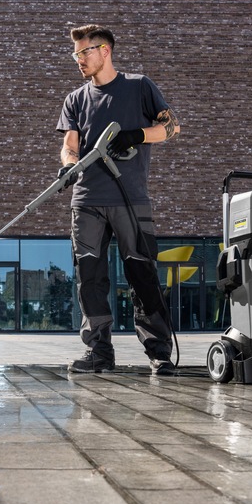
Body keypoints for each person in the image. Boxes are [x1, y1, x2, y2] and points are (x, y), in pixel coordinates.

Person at [56, 24, 181, 376]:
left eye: (84, 52)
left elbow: (172, 128)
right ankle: (99, 353)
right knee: (89, 278)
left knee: (142, 274)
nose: (79, 59)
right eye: (75, 54)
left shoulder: (139, 87)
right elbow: (70, 144)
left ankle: (159, 353)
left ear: (105, 51)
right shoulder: (76, 99)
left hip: (131, 200)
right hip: (86, 201)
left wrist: (136, 135)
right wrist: (68, 166)